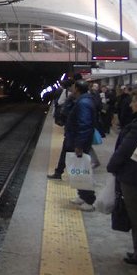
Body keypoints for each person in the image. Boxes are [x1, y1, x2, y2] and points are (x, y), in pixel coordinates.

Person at [106, 86, 137, 266]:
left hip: (135, 174)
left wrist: (112, 166)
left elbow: (125, 149)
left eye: (135, 101)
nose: (131, 104)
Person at [47, 80, 97, 210]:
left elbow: (84, 125)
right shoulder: (82, 101)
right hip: (73, 139)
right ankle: (82, 195)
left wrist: (79, 145)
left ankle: (89, 200)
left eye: (73, 88)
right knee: (77, 169)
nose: (71, 90)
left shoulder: (84, 103)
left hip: (77, 141)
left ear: (77, 89)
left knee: (82, 170)